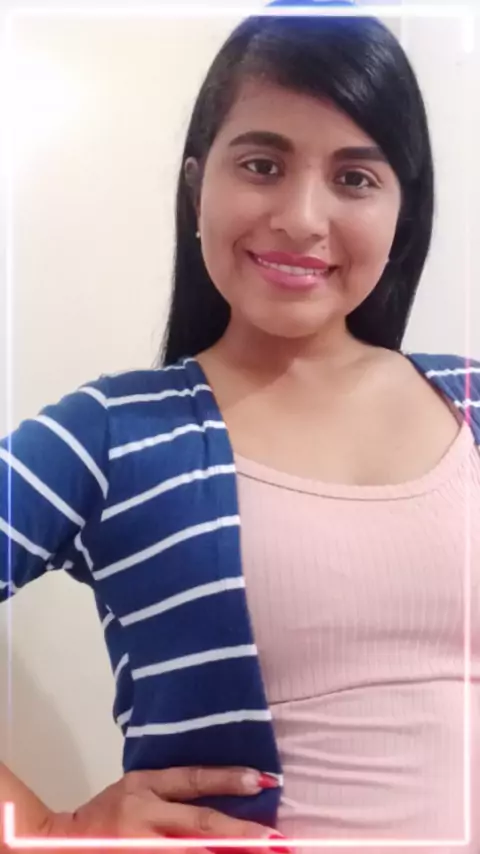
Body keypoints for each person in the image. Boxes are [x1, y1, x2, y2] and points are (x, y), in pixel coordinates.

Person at [1, 0, 479, 851]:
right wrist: (39, 829)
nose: (302, 217)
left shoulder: (470, 401)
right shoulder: (111, 434)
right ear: (198, 186)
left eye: (355, 178)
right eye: (263, 164)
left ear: (404, 210)